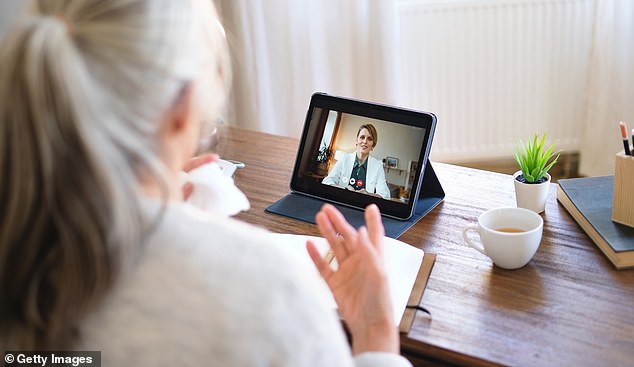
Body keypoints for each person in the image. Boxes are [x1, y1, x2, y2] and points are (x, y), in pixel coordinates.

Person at [0, 1, 412, 366]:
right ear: (182, 109)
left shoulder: (19, 242)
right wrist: (375, 335)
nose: (361, 141)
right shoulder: (271, 291)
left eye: (365, 139)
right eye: (359, 136)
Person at [322, 124, 391, 199]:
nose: (365, 141)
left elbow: (386, 196)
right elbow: (327, 181)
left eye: (369, 139)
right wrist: (344, 190)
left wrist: (367, 194)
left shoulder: (378, 165)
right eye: (362, 137)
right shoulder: (344, 158)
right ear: (356, 140)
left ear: (373, 144)